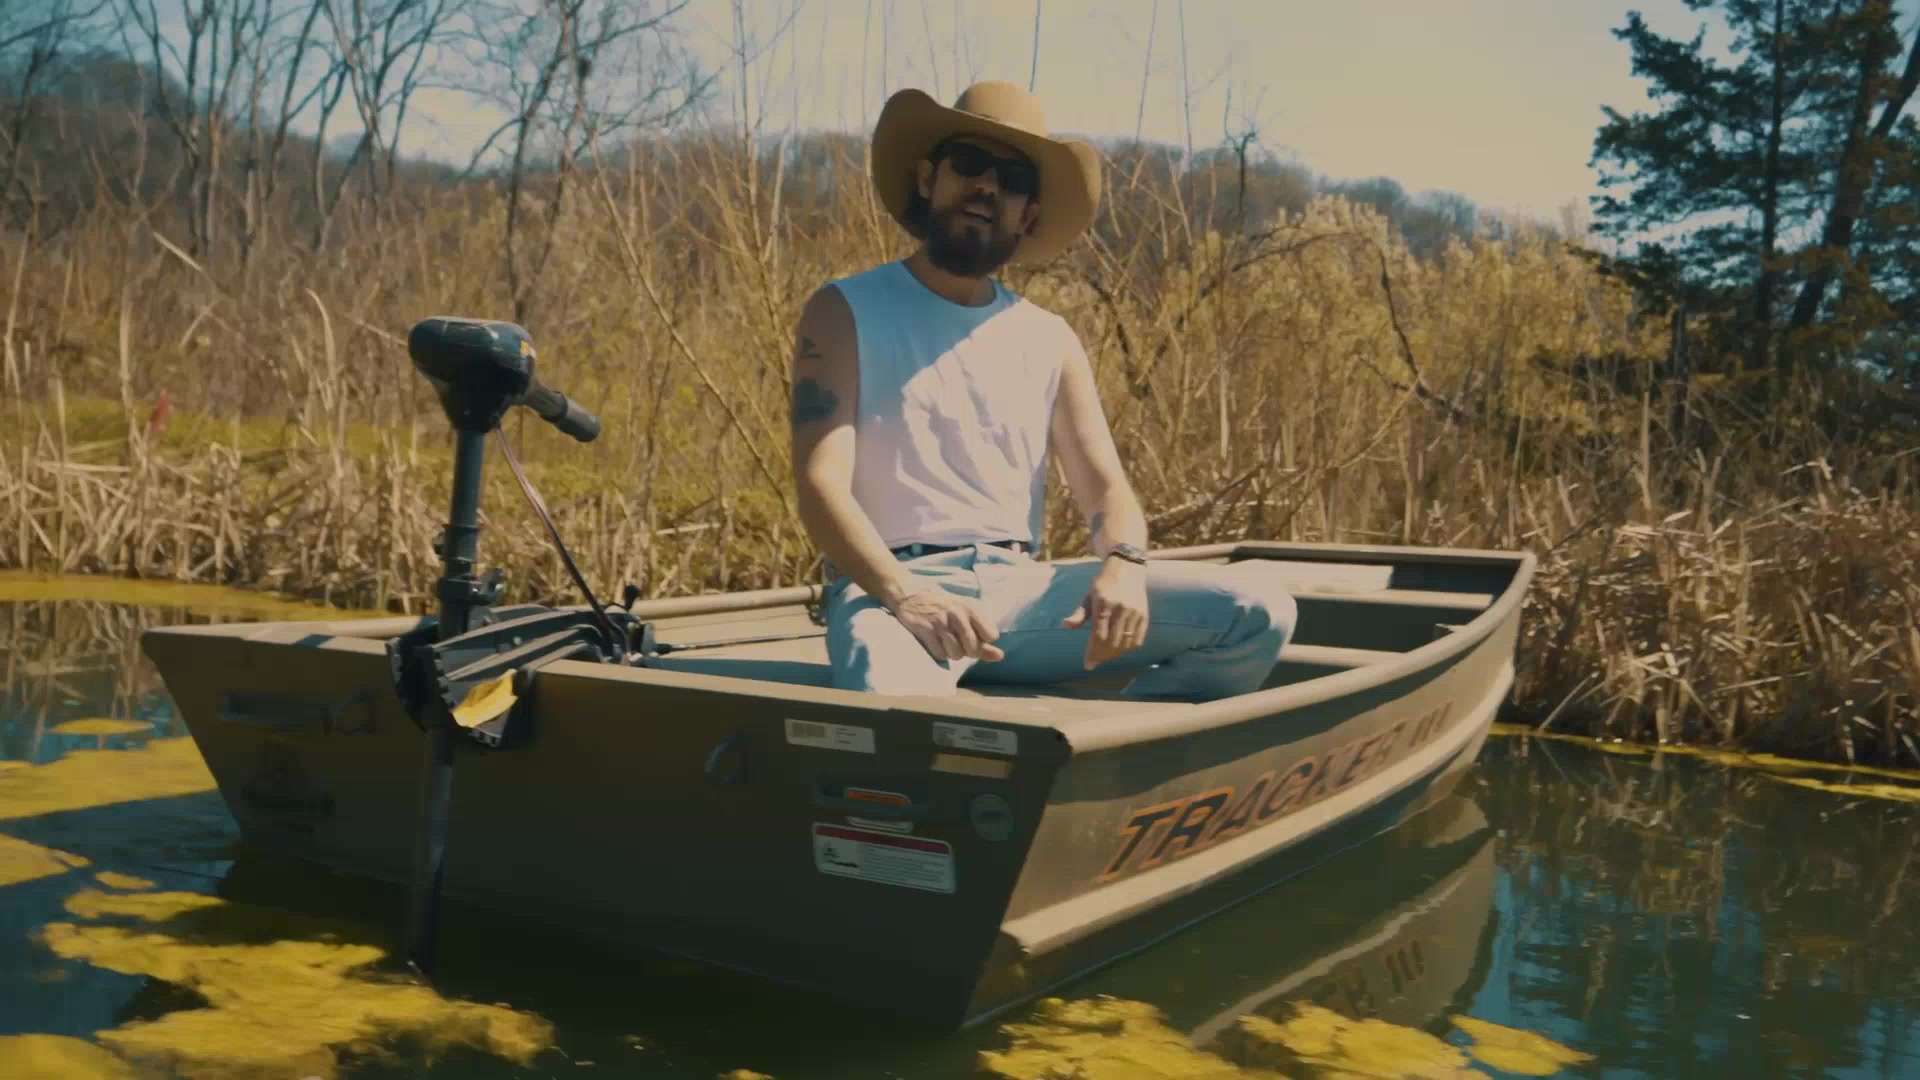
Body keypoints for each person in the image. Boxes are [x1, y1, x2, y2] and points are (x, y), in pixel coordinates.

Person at [788, 80, 1297, 700]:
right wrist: (906, 594)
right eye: (969, 164)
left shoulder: (1048, 336)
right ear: (927, 179)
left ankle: (1113, 742)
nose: (987, 187)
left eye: (1012, 179)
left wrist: (1124, 565)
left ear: (1027, 214)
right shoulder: (844, 309)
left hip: (1024, 593)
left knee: (1257, 614)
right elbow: (819, 483)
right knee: (894, 708)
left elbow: (1106, 488)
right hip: (895, 591)